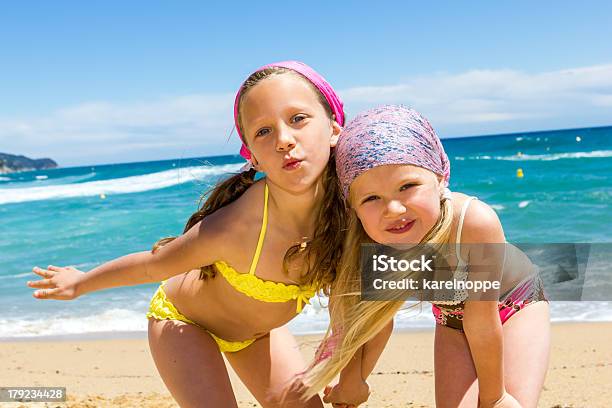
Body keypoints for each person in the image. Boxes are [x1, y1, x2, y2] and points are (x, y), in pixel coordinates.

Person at [27, 61, 346, 408]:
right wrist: (81, 282)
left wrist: (356, 378)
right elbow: (154, 265)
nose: (284, 140)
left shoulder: (358, 207)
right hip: (184, 323)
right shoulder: (236, 226)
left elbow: (378, 298)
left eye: (298, 118)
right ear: (253, 157)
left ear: (333, 127)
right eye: (263, 131)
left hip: (256, 335)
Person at [304, 105, 550, 408]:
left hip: (516, 304)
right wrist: (353, 382)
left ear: (440, 177)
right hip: (451, 318)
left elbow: (482, 323)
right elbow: (373, 321)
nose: (393, 209)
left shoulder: (473, 223)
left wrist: (494, 397)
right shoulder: (372, 242)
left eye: (407, 186)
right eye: (371, 198)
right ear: (352, 207)